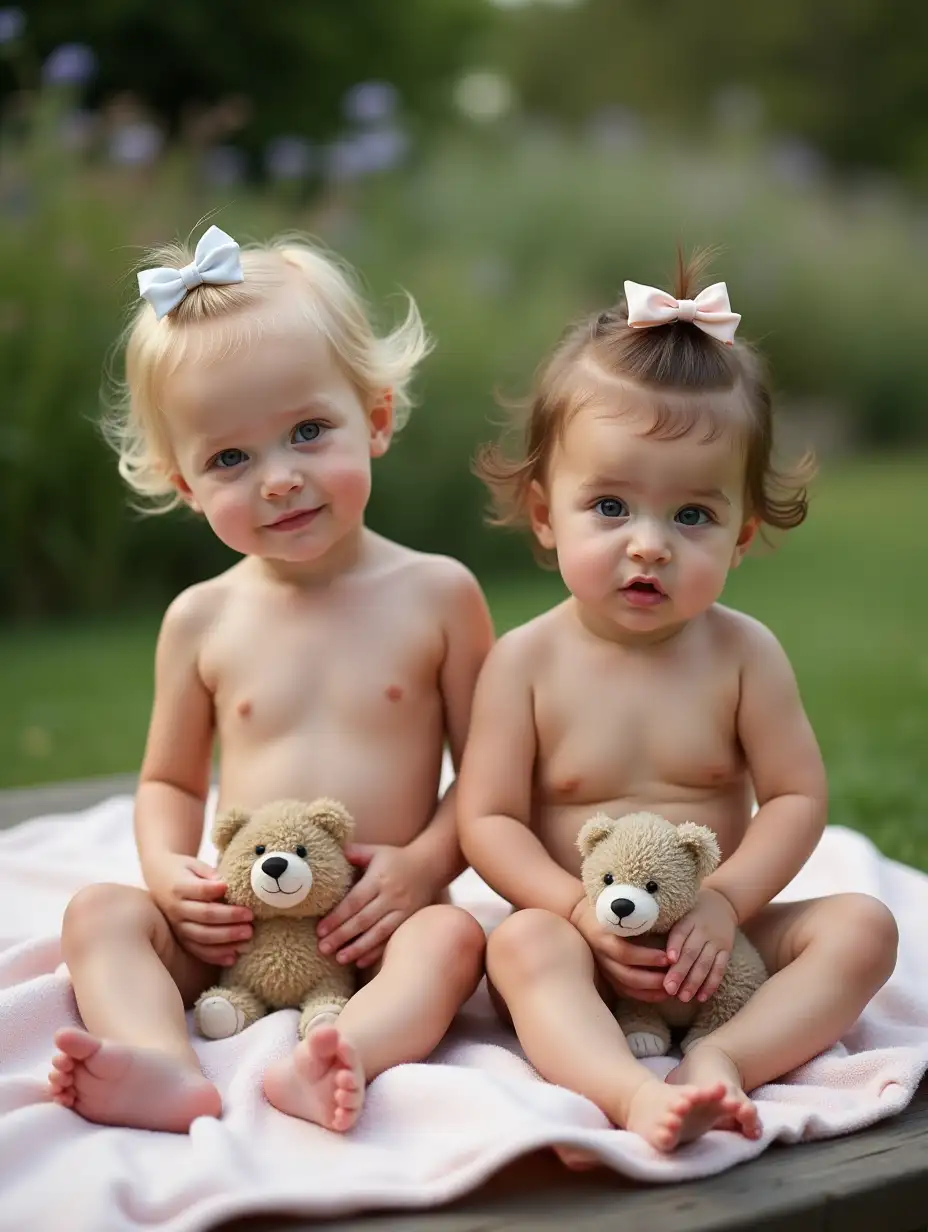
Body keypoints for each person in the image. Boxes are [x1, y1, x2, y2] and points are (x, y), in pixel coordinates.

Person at [47, 225, 493, 1133]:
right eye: (231, 459)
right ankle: (160, 1066)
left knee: (454, 941)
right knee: (99, 915)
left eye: (307, 432)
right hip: (238, 934)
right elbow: (170, 778)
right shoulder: (202, 619)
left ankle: (342, 1055)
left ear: (373, 416)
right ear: (184, 482)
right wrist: (169, 873)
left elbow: (488, 776)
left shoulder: (438, 596)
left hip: (375, 927)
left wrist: (421, 870)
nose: (280, 480)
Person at [457, 253, 898, 1153]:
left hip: (717, 942)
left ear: (740, 533)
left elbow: (797, 799)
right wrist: (568, 907)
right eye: (610, 507)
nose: (649, 546)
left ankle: (724, 1057)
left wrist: (728, 901)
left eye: (691, 517)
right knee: (515, 948)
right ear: (546, 515)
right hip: (585, 944)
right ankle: (625, 1091)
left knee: (863, 928)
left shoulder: (743, 657)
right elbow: (489, 818)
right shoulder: (525, 662)